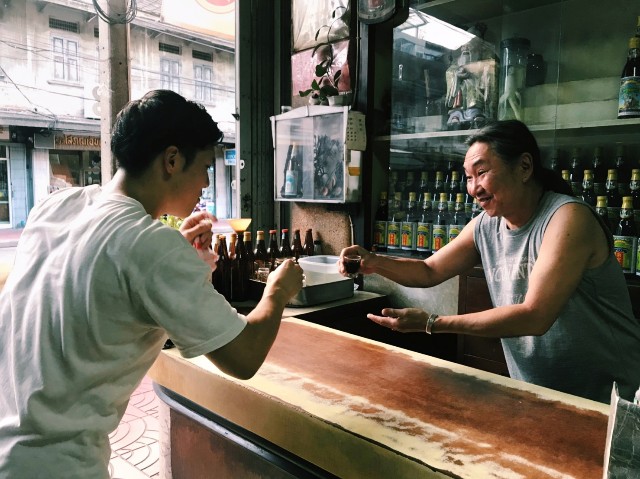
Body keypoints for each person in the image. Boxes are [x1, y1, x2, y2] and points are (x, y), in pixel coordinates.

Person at [0, 89, 304, 478]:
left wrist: (177, 252)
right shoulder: (149, 245)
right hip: (56, 465)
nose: (206, 183)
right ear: (172, 160)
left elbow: (97, 276)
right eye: (205, 167)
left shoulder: (58, 206)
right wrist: (277, 289)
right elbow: (243, 357)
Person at [340, 120, 640, 404]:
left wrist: (433, 324)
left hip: (611, 397)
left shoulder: (568, 218)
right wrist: (373, 262)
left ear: (524, 167)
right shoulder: (485, 226)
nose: (473, 188)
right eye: (469, 177)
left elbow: (535, 316)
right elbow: (428, 270)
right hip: (541, 394)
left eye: (481, 172)